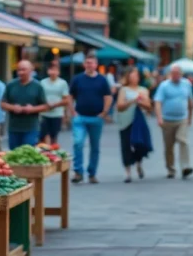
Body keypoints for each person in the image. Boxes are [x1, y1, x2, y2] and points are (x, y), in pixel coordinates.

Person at [69, 55, 112, 183]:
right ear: (84, 64)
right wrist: (72, 111)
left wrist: (104, 112)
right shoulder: (77, 79)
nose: (89, 65)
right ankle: (78, 171)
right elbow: (70, 96)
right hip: (80, 117)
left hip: (96, 118)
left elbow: (108, 97)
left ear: (96, 64)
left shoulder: (102, 80)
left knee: (95, 147)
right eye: (87, 63)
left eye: (91, 63)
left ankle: (92, 173)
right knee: (78, 143)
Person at [154, 65, 193, 179]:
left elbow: (190, 101)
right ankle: (170, 169)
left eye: (177, 73)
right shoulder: (164, 85)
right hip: (167, 119)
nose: (175, 75)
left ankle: (185, 167)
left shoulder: (186, 84)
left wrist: (190, 116)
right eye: (173, 73)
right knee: (169, 146)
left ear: (181, 74)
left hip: (182, 118)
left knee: (183, 140)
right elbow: (158, 102)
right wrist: (159, 117)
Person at [1, 60, 50, 149]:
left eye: (24, 70)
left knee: (28, 154)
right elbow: (2, 104)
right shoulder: (11, 85)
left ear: (31, 70)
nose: (21, 72)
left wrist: (32, 109)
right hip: (13, 128)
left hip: (31, 127)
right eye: (19, 70)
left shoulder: (37, 86)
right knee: (14, 155)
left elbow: (46, 106)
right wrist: (13, 107)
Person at [116, 67, 152, 182]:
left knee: (139, 144)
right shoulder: (124, 90)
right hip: (125, 121)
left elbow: (149, 106)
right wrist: (132, 101)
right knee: (125, 146)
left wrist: (141, 102)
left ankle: (139, 164)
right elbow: (119, 106)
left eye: (136, 75)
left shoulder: (143, 90)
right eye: (132, 75)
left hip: (139, 122)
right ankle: (127, 172)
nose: (134, 78)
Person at [39, 63, 71, 145]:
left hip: (57, 114)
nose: (53, 72)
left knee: (54, 136)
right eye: (51, 70)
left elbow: (66, 100)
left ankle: (53, 153)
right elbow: (39, 97)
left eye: (55, 70)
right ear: (48, 71)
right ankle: (44, 153)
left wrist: (55, 104)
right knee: (42, 136)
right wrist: (46, 104)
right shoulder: (42, 82)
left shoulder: (63, 83)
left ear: (58, 72)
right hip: (44, 113)